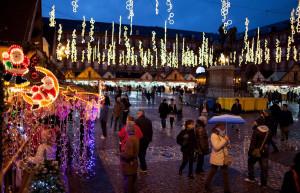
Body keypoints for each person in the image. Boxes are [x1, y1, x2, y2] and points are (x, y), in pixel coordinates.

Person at [205, 123, 231, 193]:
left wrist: (228, 144)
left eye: (224, 127)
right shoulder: (214, 135)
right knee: (213, 171)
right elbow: (216, 147)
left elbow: (226, 145)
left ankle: (227, 190)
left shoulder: (223, 135)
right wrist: (225, 140)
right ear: (218, 127)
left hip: (224, 157)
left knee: (225, 173)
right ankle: (207, 185)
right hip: (217, 157)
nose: (224, 128)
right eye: (222, 127)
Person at [120, 121, 140, 193]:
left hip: (129, 166)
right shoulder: (135, 137)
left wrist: (121, 154)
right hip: (134, 164)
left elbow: (129, 155)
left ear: (128, 129)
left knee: (128, 184)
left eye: (126, 127)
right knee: (132, 182)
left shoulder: (130, 139)